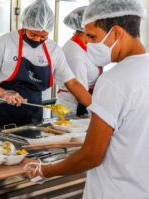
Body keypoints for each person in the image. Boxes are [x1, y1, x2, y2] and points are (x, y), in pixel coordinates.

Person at [24, 0, 149, 198]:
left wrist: (44, 170)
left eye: (92, 36)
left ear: (116, 33)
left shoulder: (114, 81)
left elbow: (91, 156)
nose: (88, 43)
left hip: (114, 191)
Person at [0, 0, 91, 128]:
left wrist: (94, 110)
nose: (38, 39)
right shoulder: (5, 43)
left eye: (43, 36)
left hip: (34, 114)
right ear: (25, 25)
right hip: (4, 113)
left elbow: (72, 83)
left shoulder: (53, 49)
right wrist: (2, 92)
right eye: (33, 34)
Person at [56, 6, 102, 117]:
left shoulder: (86, 46)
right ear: (87, 27)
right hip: (73, 111)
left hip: (85, 105)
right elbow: (80, 92)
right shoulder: (74, 54)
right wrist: (100, 114)